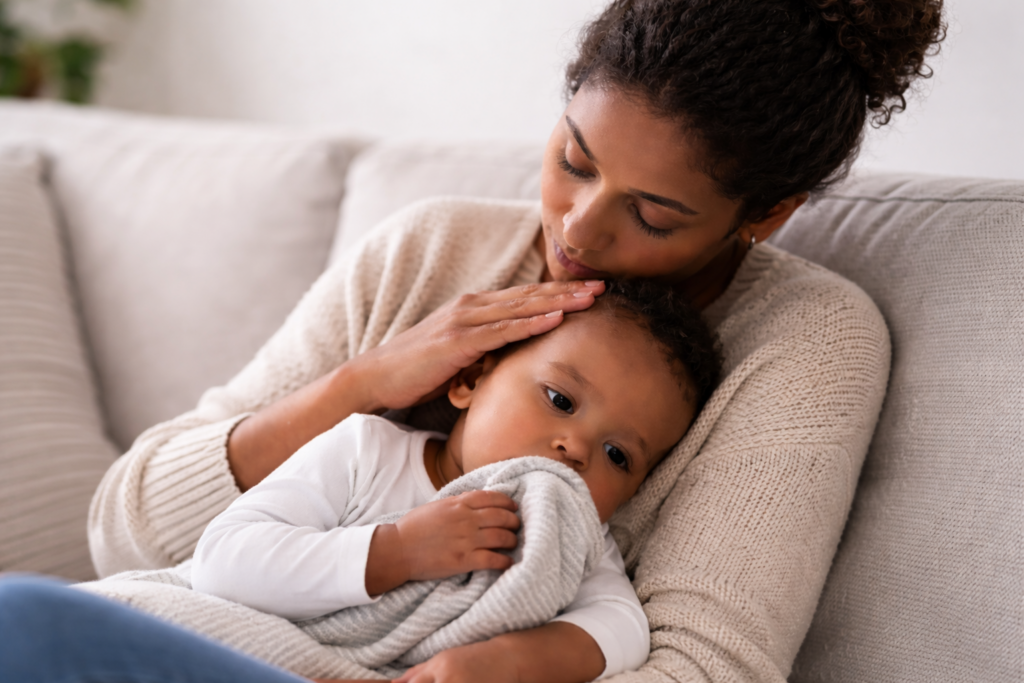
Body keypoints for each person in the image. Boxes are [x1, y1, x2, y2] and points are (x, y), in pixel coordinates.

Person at [0, 0, 945, 681]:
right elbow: (127, 530)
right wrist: (359, 384)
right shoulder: (431, 251)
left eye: (652, 216)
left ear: (766, 215)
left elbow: (703, 664)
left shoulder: (806, 345)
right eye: (572, 159)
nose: (576, 231)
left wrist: (502, 666)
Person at [189, 280, 722, 681]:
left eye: (618, 455)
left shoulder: (565, 532)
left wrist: (508, 661)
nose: (577, 449)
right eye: (560, 400)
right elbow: (222, 561)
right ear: (470, 381)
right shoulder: (366, 452)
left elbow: (624, 631)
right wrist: (397, 551)